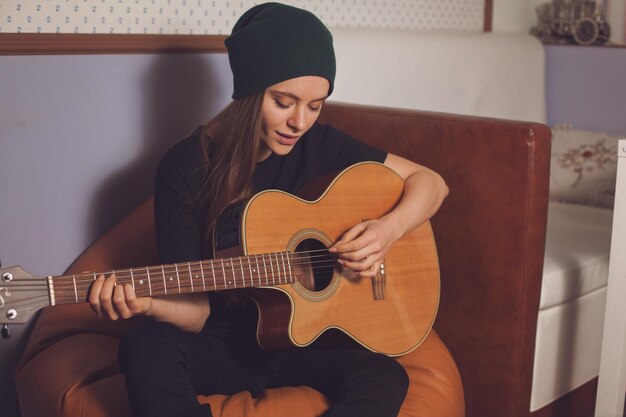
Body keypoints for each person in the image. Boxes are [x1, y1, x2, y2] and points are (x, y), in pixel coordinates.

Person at [87, 3, 448, 417]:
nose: (300, 122)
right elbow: (198, 310)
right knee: (145, 344)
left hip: (300, 344)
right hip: (219, 349)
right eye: (284, 101)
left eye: (315, 106)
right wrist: (146, 303)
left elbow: (432, 183)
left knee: (387, 377)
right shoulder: (184, 168)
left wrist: (388, 230)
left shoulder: (321, 145)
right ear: (249, 91)